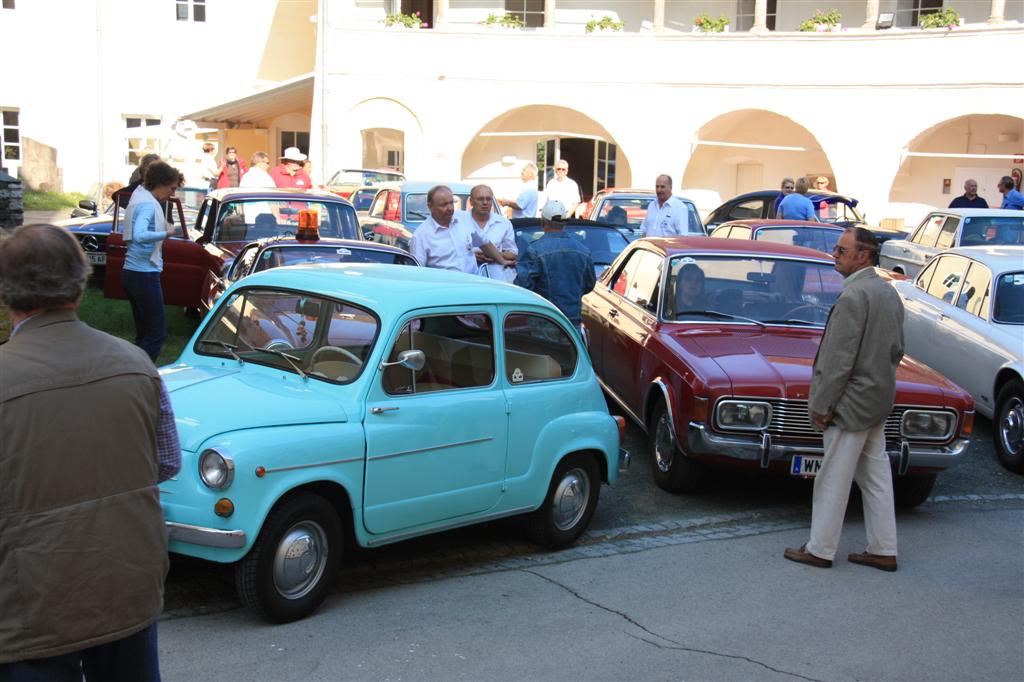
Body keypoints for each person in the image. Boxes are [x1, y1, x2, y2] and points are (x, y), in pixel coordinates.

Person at [0, 224, 180, 681]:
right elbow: (166, 463)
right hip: (127, 583)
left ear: (7, 294)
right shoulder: (136, 364)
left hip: (30, 602)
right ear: (80, 286)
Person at [785, 227, 903, 572]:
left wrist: (821, 406)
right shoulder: (888, 292)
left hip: (850, 403)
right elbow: (898, 349)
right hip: (878, 398)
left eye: (841, 250)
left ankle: (820, 548)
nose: (835, 255)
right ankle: (884, 548)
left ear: (862, 255)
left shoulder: (854, 297)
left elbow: (838, 361)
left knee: (833, 477)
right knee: (876, 476)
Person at [121, 161, 182, 362]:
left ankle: (132, 373)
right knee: (156, 332)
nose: (172, 194)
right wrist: (167, 232)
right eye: (171, 188)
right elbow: (139, 234)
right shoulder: (147, 204)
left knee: (144, 333)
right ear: (161, 183)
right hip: (144, 273)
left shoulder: (139, 197)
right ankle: (142, 376)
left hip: (132, 272)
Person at [515, 199, 596, 328]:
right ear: (564, 223)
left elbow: (522, 286)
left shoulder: (535, 250)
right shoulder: (583, 250)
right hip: (572, 322)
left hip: (544, 320)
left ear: (542, 222)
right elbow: (589, 284)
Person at [409, 185, 508, 273]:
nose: (450, 208)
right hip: (446, 289)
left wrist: (502, 261)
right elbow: (417, 272)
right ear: (430, 206)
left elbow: (484, 243)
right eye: (444, 205)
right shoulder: (420, 236)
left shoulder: (465, 219)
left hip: (473, 284)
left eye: (451, 203)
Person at [465, 184, 518, 282]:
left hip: (497, 279)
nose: (485, 202)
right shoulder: (460, 222)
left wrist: (494, 254)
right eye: (480, 199)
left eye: (488, 199)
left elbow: (513, 253)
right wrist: (472, 255)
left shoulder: (503, 223)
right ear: (471, 201)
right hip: (467, 279)